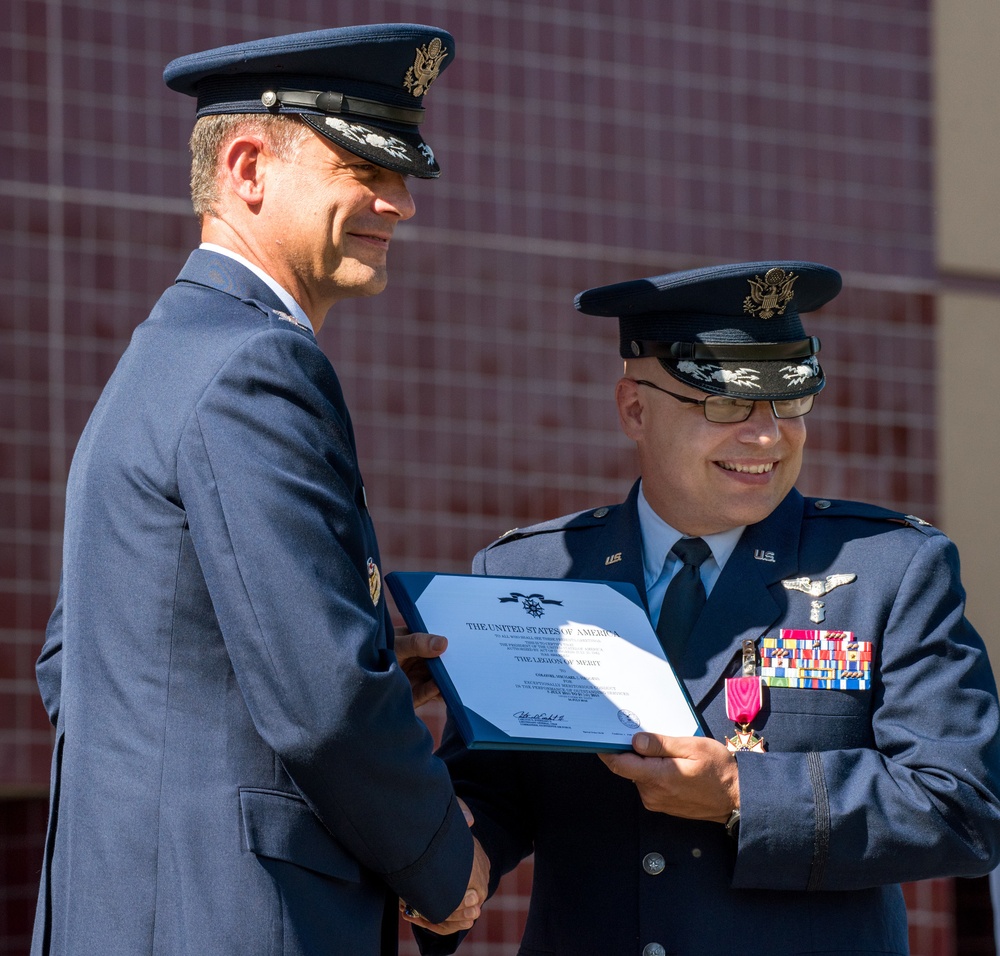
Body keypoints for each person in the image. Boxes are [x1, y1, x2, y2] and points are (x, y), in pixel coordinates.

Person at [31, 24, 488, 956]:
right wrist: (447, 864)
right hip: (239, 919)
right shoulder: (258, 366)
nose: (399, 204)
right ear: (248, 167)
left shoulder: (167, 355)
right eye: (366, 167)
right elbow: (322, 702)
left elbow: (77, 663)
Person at [407, 261, 1000, 955]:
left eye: (791, 403)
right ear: (634, 408)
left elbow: (964, 808)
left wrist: (742, 792)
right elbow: (494, 791)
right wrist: (445, 856)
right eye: (726, 405)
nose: (768, 436)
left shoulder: (889, 570)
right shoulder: (529, 570)